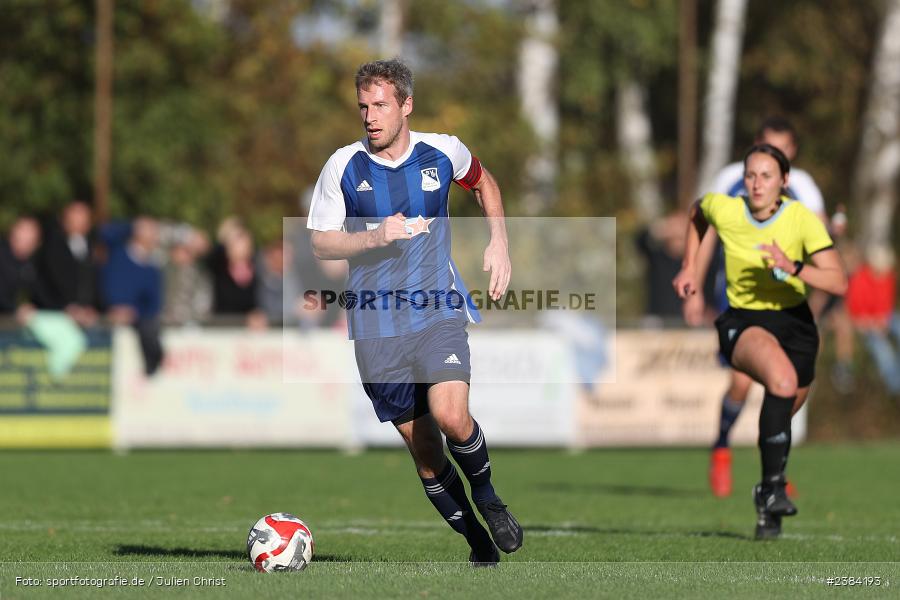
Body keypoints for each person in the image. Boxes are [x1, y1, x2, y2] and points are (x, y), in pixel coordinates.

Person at [306, 59, 521, 565]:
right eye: (363, 107)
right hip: (375, 327)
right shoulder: (343, 165)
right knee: (426, 454)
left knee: (451, 416)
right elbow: (320, 242)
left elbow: (484, 182)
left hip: (436, 310)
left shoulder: (442, 151)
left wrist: (499, 241)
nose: (370, 117)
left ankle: (489, 498)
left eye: (380, 105)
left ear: (406, 105)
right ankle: (478, 544)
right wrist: (372, 237)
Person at [673, 143, 847, 539]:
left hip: (796, 325)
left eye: (766, 176)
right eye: (750, 175)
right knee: (781, 381)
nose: (756, 184)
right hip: (743, 319)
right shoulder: (727, 208)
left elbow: (838, 281)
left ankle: (767, 503)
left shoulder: (800, 218)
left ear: (784, 181)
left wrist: (794, 267)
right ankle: (771, 489)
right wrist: (689, 268)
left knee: (781, 414)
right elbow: (698, 212)